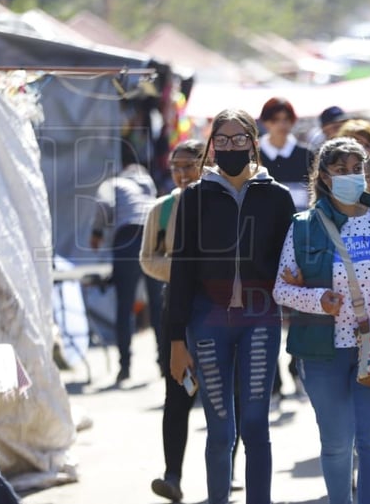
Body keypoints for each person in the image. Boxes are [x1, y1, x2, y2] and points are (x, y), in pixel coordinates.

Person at [273, 137, 370, 504]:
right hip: (321, 352)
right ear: (324, 178)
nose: (350, 176)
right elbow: (281, 289)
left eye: (356, 168)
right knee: (336, 445)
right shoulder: (303, 226)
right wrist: (318, 299)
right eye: (340, 170)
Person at [169, 109, 296, 504]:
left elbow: (289, 263)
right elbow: (181, 272)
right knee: (219, 428)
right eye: (221, 140)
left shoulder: (277, 196)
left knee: (256, 426)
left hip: (260, 318)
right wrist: (175, 341)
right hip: (207, 320)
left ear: (253, 142)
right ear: (211, 146)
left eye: (238, 139)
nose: (230, 147)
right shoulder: (194, 196)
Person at [140, 139, 204, 501]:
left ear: (205, 164)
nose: (181, 174)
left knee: (226, 398)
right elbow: (148, 258)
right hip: (175, 312)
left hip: (218, 310)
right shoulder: (161, 211)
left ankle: (225, 472)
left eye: (189, 165)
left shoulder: (221, 206)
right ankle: (173, 475)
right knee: (177, 394)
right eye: (175, 167)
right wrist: (183, 271)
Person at [90, 140, 163, 383]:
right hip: (154, 237)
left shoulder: (114, 183)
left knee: (125, 305)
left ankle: (125, 367)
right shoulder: (148, 183)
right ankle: (164, 363)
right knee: (157, 304)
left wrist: (97, 233)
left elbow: (104, 206)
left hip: (128, 239)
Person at [258, 96, 314, 211]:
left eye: (286, 119)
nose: (282, 125)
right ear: (265, 122)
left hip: (301, 222)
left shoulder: (307, 155)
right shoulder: (254, 155)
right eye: (275, 120)